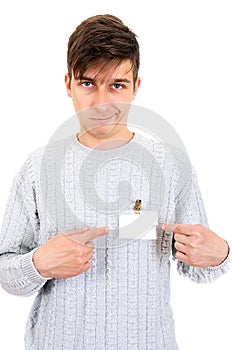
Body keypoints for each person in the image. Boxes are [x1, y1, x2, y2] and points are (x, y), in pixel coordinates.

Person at [0, 14, 230, 350]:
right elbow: (7, 274)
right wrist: (38, 264)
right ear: (68, 84)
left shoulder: (170, 165)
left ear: (136, 87)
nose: (102, 103)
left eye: (117, 85)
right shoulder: (38, 168)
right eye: (88, 83)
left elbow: (200, 269)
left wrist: (221, 254)